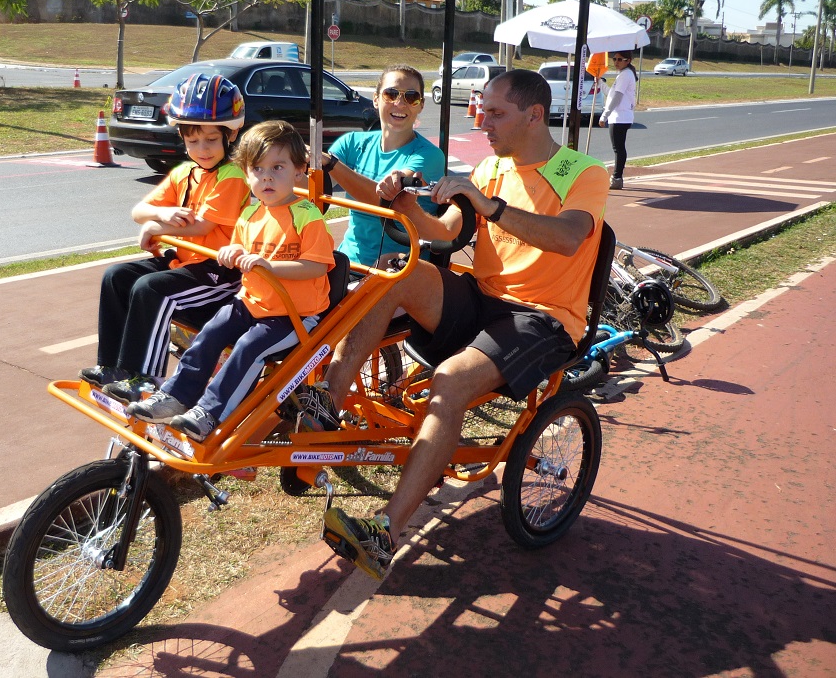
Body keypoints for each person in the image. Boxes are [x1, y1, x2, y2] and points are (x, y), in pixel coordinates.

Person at [294, 69, 610, 580]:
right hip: (484, 298)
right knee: (398, 271)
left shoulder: (582, 171)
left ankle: (385, 533)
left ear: (534, 115)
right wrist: (401, 205)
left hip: (545, 318)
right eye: (481, 109)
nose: (482, 120)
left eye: (495, 112)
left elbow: (569, 238)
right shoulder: (491, 167)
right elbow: (443, 231)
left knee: (449, 382)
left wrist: (492, 205)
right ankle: (327, 403)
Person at [126, 120, 336, 442]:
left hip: (294, 316)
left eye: (277, 168)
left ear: (299, 172)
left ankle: (210, 413)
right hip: (252, 302)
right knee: (210, 333)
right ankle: (175, 395)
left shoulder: (308, 215)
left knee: (249, 348)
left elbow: (315, 267)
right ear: (247, 173)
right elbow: (239, 245)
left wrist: (269, 266)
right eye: (257, 169)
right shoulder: (251, 214)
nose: (266, 177)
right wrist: (233, 251)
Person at [79, 74, 250, 404]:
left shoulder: (233, 177)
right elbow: (139, 211)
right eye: (193, 140)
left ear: (230, 136)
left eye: (211, 140)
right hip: (186, 261)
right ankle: (112, 366)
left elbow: (201, 227)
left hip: (219, 274)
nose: (202, 149)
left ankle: (145, 379)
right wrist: (159, 217)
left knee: (151, 289)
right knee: (116, 276)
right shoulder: (184, 173)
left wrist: (159, 227)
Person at [319, 64, 445, 265]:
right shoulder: (352, 142)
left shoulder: (429, 155)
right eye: (391, 94)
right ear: (376, 100)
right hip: (347, 260)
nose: (400, 104)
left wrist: (331, 163)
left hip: (398, 267)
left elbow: (386, 199)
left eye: (411, 97)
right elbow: (313, 183)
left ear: (421, 105)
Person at [598, 50, 638, 190]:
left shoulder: (625, 74)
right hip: (620, 116)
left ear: (628, 61)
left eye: (620, 59)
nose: (616, 62)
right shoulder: (623, 74)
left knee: (618, 148)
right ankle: (617, 177)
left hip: (620, 117)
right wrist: (601, 84)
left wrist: (604, 115)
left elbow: (617, 97)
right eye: (614, 59)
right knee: (618, 148)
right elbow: (612, 94)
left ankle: (617, 178)